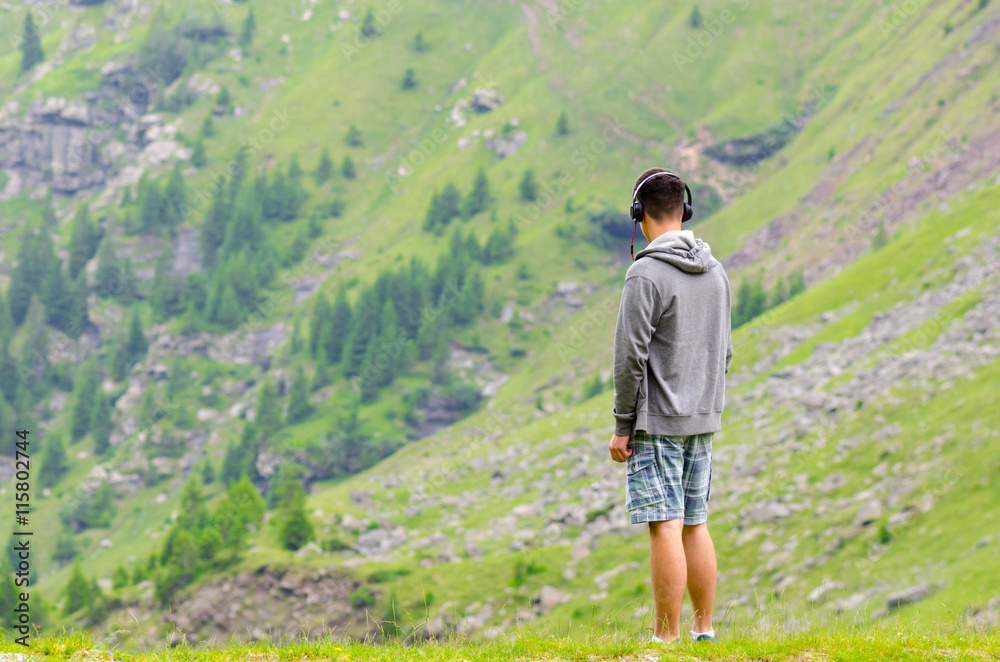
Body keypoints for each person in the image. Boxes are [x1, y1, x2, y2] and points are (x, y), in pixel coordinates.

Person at [608, 168, 732, 644]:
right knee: (696, 522)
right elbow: (724, 351)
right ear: (685, 210)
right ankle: (704, 631)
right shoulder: (716, 269)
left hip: (658, 421)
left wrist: (624, 425)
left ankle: (666, 639)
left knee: (666, 524)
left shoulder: (646, 273)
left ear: (639, 217)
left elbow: (628, 358)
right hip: (703, 416)